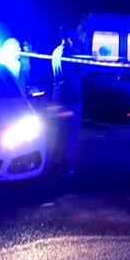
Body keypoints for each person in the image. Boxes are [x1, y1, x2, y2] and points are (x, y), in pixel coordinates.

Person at [51, 26, 84, 176]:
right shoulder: (70, 52)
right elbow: (79, 73)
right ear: (70, 36)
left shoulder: (56, 51)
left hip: (59, 96)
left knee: (60, 132)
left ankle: (56, 164)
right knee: (71, 133)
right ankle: (68, 164)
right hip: (72, 96)